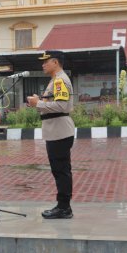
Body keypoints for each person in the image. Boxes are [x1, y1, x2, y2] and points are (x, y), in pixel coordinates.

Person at [27, 50, 76, 219]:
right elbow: (54, 102)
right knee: (59, 170)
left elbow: (62, 106)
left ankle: (64, 208)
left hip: (59, 131)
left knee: (61, 170)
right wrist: (39, 100)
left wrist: (38, 103)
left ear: (55, 62)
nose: (43, 64)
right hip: (56, 130)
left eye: (46, 62)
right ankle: (63, 205)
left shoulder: (60, 80)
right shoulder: (55, 80)